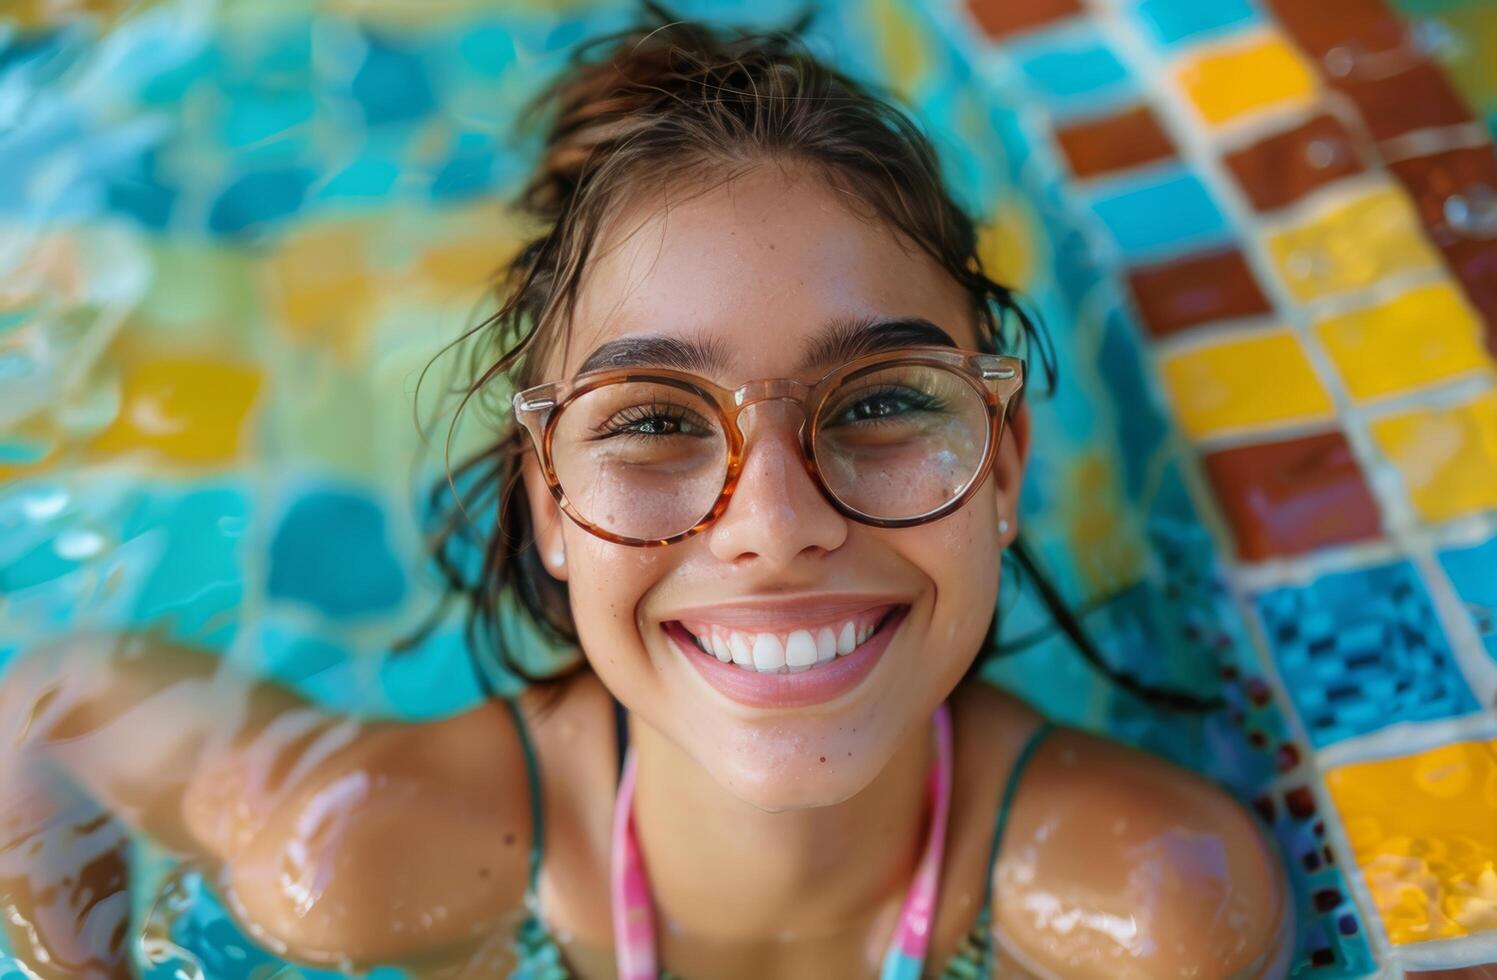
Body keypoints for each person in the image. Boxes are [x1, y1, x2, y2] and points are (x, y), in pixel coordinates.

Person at [0, 16, 1293, 979]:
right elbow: (48, 708)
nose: (775, 524)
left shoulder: (1144, 905)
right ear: (551, 500)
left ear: (1002, 462)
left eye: (882, 402)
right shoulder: (373, 862)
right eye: (657, 423)